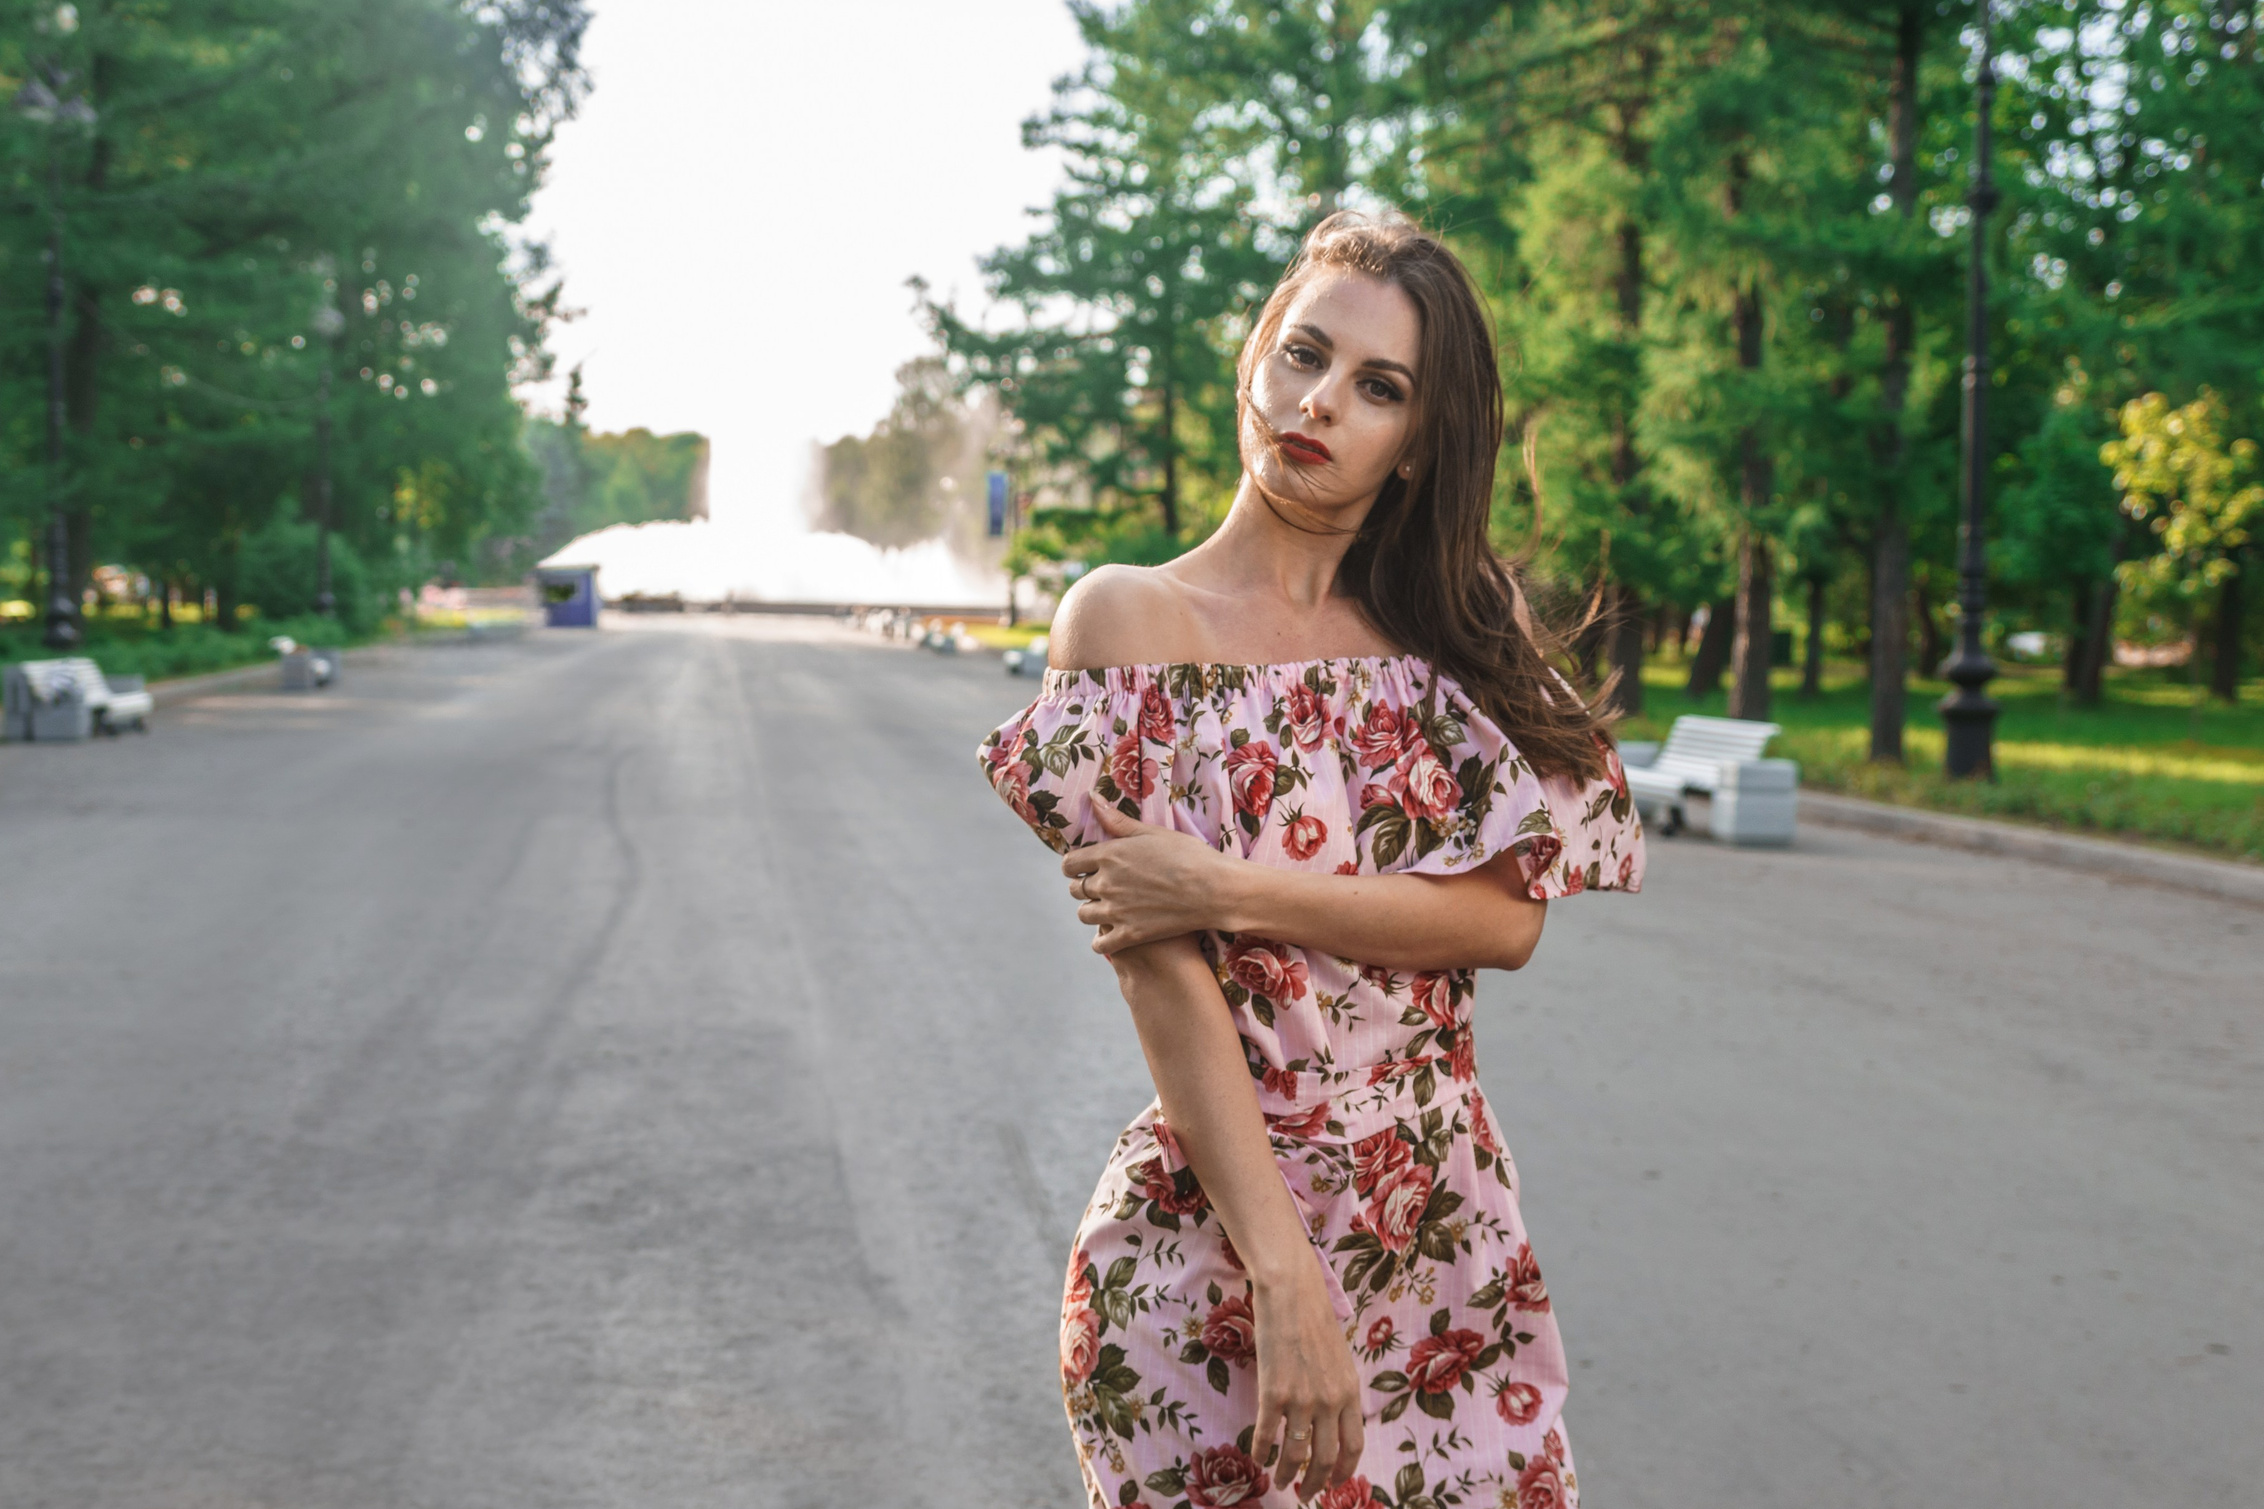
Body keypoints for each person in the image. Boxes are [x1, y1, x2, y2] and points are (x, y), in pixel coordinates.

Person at [977, 211, 1643, 1509]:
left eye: (1378, 387)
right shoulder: (1129, 617)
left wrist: (1230, 886)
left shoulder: (1455, 631)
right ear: (1253, 361)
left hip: (1440, 1228)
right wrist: (1284, 1280)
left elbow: (1504, 923)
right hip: (1218, 1242)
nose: (1320, 401)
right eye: (1304, 355)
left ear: (1414, 447)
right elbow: (1161, 977)